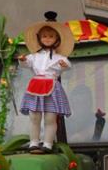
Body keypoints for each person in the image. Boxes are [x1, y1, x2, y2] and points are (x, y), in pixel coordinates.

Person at [19, 11, 75, 153]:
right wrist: (23, 60)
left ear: (57, 38)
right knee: (34, 116)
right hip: (36, 87)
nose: (48, 39)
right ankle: (34, 142)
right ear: (39, 38)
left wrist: (64, 65)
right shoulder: (34, 56)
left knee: (50, 118)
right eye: (44, 36)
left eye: (51, 36)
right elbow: (26, 63)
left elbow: (67, 64)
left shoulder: (59, 57)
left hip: (52, 87)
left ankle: (48, 143)